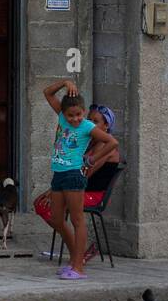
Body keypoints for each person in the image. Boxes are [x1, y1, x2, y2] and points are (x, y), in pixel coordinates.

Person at [41, 79, 118, 280]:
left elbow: (112, 142)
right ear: (63, 114)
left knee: (77, 220)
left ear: (83, 112)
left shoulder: (87, 126)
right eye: (71, 115)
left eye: (78, 114)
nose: (75, 119)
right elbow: (47, 92)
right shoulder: (62, 118)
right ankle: (77, 257)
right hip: (58, 174)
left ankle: (78, 268)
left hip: (74, 175)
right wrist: (66, 83)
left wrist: (92, 159)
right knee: (56, 219)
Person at [33, 104, 123, 262]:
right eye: (90, 119)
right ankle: (77, 250)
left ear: (106, 125)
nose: (90, 123)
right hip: (76, 187)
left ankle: (78, 252)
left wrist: (54, 193)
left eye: (96, 121)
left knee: (50, 207)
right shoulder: (90, 142)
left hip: (91, 194)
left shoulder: (105, 147)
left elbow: (86, 173)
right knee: (41, 204)